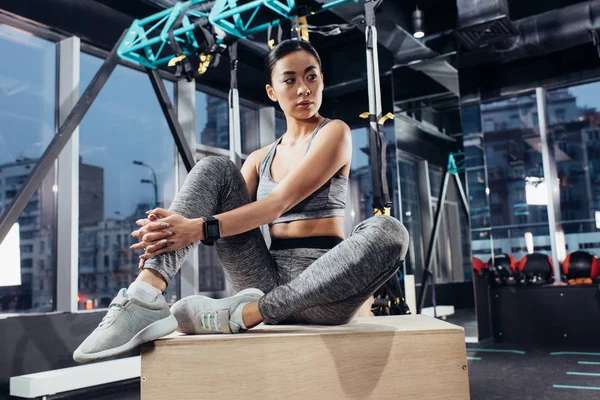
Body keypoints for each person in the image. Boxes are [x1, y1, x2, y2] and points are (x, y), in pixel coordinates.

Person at [73, 39, 408, 363]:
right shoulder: (259, 159)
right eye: (290, 80)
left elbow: (278, 203)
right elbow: (225, 217)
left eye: (311, 76)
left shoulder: (334, 132)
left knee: (389, 231)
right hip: (261, 279)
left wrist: (197, 228)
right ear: (272, 92)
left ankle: (248, 313)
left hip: (324, 291)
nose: (304, 89)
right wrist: (170, 230)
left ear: (321, 79)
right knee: (214, 168)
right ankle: (144, 297)